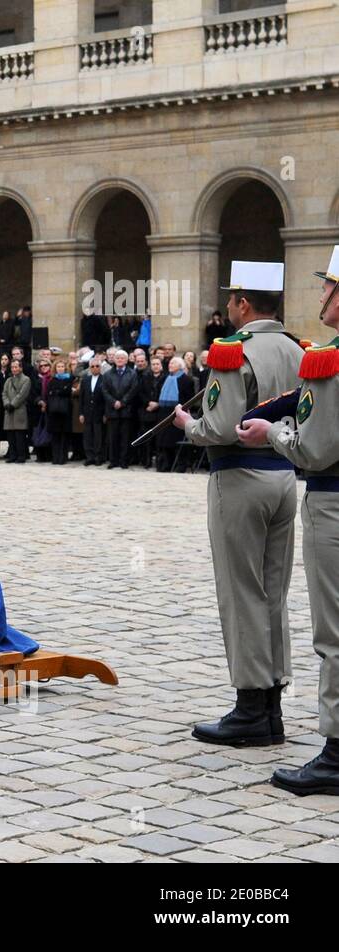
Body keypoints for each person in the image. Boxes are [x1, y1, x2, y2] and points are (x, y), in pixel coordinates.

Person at [174, 260, 302, 747]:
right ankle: (272, 703)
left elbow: (222, 426)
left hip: (239, 478)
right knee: (273, 592)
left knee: (240, 591)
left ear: (244, 304)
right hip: (284, 476)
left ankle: (251, 706)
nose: (228, 305)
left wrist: (190, 426)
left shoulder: (232, 351)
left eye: (231, 298)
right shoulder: (296, 349)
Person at [237, 245, 339, 793]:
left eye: (329, 286)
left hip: (331, 502)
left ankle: (337, 752)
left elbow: (316, 449)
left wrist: (270, 433)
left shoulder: (330, 358)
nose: (321, 294)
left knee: (335, 633)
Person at [153, 356, 195, 472]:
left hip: (178, 413)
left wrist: (183, 410)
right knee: (164, 441)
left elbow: (189, 398)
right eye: (170, 363)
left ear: (180, 366)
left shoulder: (186, 380)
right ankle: (165, 464)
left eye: (173, 363)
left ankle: (180, 465)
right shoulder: (164, 378)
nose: (170, 365)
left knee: (177, 440)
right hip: (164, 413)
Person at [100, 349, 138, 468]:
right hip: (112, 411)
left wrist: (122, 402)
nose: (120, 360)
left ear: (126, 360)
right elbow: (104, 390)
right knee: (112, 438)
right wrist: (113, 402)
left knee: (125, 438)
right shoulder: (107, 375)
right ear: (114, 360)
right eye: (118, 358)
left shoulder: (132, 373)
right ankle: (113, 461)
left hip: (126, 410)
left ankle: (124, 461)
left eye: (122, 358)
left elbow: (133, 390)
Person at [78, 356, 108, 466]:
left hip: (99, 413)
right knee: (87, 436)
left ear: (100, 367)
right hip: (87, 413)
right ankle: (89, 457)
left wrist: (105, 413)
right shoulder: (85, 380)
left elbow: (106, 399)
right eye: (92, 366)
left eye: (97, 366)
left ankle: (98, 457)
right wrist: (81, 413)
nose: (95, 368)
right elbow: (81, 397)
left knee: (98, 436)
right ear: (89, 368)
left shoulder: (105, 379)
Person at [2, 358, 31, 464]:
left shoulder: (26, 379)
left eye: (16, 367)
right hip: (9, 411)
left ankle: (21, 456)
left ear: (20, 368)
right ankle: (12, 455)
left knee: (20, 436)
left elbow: (22, 395)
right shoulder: (8, 380)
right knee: (11, 436)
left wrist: (13, 404)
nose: (14, 369)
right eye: (12, 367)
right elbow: (4, 393)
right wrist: (6, 404)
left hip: (19, 410)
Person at [47, 358, 74, 465]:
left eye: (62, 366)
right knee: (55, 435)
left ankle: (63, 457)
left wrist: (58, 391)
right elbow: (50, 392)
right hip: (54, 411)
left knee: (64, 435)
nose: (60, 369)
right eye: (58, 367)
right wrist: (60, 391)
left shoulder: (69, 379)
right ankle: (55, 457)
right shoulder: (52, 380)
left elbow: (67, 391)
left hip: (66, 410)